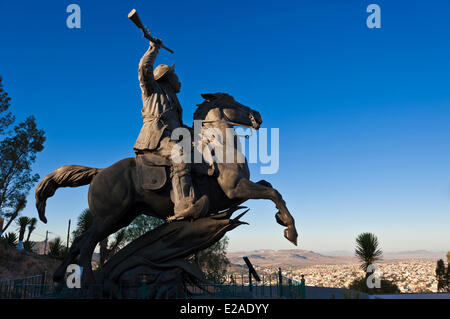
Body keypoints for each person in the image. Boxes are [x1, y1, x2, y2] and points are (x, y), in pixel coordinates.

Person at [133, 39, 209, 221]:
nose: (179, 80)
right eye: (176, 76)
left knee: (199, 154)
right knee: (180, 156)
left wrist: (202, 135)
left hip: (172, 138)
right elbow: (144, 68)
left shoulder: (174, 102)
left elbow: (179, 129)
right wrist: (154, 48)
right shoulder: (152, 90)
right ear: (167, 77)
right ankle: (183, 206)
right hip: (156, 139)